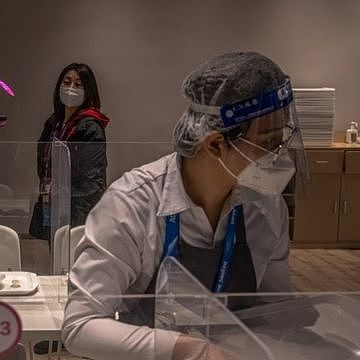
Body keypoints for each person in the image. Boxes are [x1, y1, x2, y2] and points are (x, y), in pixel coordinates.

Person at [62, 52, 307, 359]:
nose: (279, 156)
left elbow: (273, 307)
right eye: (269, 143)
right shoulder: (133, 203)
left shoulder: (267, 209)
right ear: (216, 144)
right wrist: (187, 350)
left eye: (283, 140)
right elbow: (80, 327)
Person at [29, 63, 110, 241]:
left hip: (75, 210)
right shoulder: (53, 124)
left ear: (88, 91)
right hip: (49, 202)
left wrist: (77, 219)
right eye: (67, 82)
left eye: (78, 84)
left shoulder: (90, 126)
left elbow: (92, 181)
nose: (71, 88)